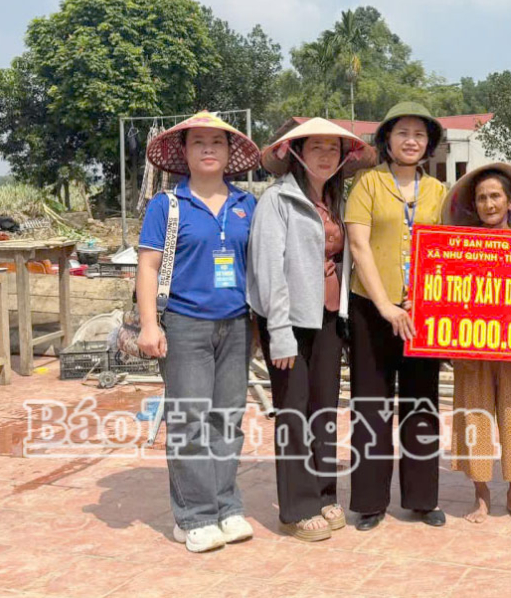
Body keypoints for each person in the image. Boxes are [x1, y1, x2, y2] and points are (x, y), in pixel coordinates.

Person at [248, 118, 376, 541]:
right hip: (287, 321)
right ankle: (296, 507)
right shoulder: (277, 201)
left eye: (333, 149)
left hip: (326, 319)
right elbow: (269, 269)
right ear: (298, 153)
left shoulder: (336, 201)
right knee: (294, 411)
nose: (326, 155)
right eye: (316, 147)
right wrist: (279, 331)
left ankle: (323, 493)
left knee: (323, 410)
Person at [137, 111, 260, 553]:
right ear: (184, 153)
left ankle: (226, 507)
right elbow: (148, 267)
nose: (208, 148)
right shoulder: (167, 206)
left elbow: (257, 270)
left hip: (236, 323)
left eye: (217, 142)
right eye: (199, 142)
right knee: (189, 422)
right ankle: (195, 516)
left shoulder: (248, 204)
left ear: (230, 153)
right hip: (185, 325)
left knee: (227, 420)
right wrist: (150, 324)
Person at [345, 101, 449, 531]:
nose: (411, 141)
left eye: (419, 135)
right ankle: (369, 502)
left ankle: (422, 499)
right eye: (403, 133)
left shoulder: (440, 192)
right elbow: (358, 246)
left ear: (429, 144)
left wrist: (424, 303)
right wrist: (386, 305)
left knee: (422, 403)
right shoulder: (367, 184)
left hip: (421, 312)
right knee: (371, 405)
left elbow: (451, 248)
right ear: (386, 139)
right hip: (372, 310)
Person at [441, 163, 511, 525]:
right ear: (474, 204)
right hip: (471, 348)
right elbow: (444, 296)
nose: (489, 204)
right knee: (476, 415)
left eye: (495, 196)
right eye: (482, 198)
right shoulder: (459, 248)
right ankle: (481, 497)